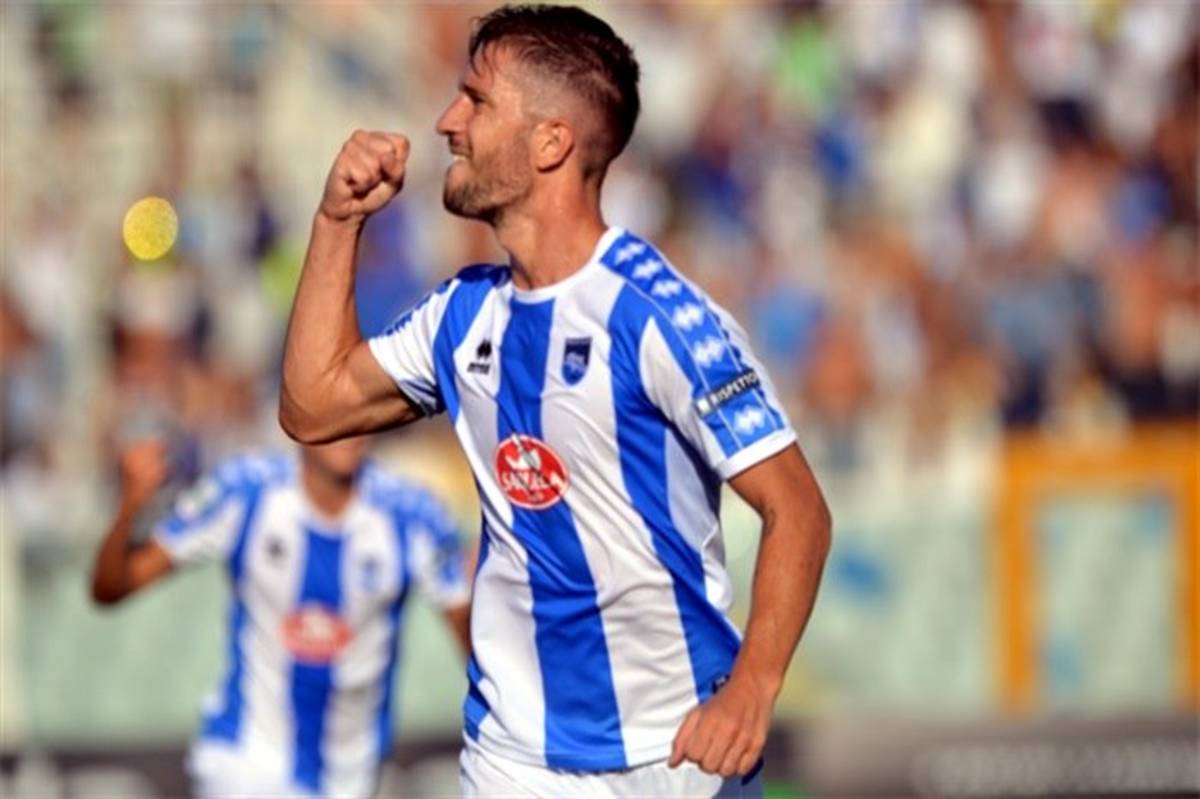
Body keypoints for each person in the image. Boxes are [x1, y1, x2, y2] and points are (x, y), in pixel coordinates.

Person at [279, 4, 831, 796]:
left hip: (675, 753)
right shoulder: (462, 313)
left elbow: (798, 509)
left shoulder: (658, 317)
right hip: (517, 759)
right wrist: (337, 222)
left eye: (476, 100)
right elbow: (312, 406)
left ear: (551, 143)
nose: (447, 122)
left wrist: (754, 686)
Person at [90, 435, 472, 798]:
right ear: (299, 412)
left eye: (359, 410)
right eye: (331, 407)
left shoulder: (414, 515)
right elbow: (113, 586)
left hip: (352, 776)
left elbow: (472, 645)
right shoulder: (245, 491)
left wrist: (486, 597)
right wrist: (128, 509)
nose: (348, 427)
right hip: (245, 760)